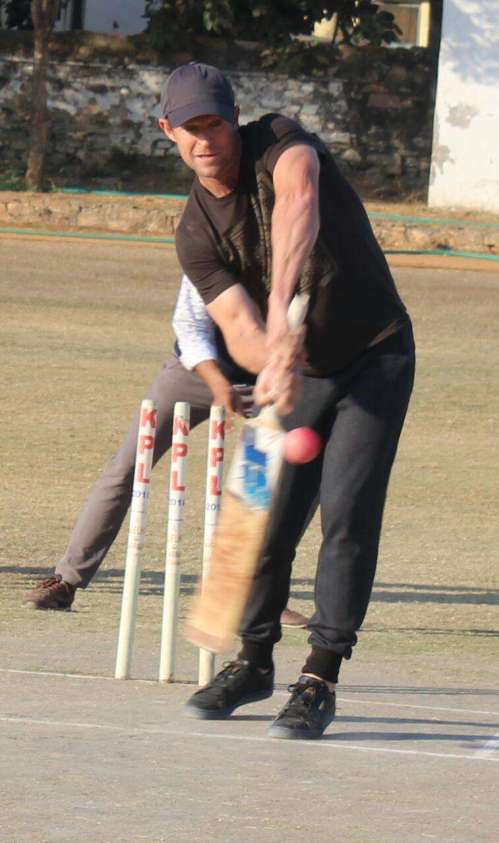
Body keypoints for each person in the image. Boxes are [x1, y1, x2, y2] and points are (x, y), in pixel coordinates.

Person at [158, 63, 416, 739]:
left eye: (214, 123)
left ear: (234, 118)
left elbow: (300, 199)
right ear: (168, 131)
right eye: (190, 128)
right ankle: (253, 661)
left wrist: (281, 307)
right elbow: (235, 325)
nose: (205, 139)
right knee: (264, 522)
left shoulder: (279, 139)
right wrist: (272, 359)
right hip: (302, 373)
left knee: (347, 513)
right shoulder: (194, 233)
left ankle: (319, 676)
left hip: (376, 353)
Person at [23, 274, 309, 629]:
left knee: (277, 486)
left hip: (269, 382)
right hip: (195, 371)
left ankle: (262, 598)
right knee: (127, 466)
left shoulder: (309, 257)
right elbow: (190, 327)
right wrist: (219, 384)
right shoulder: (215, 245)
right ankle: (66, 581)